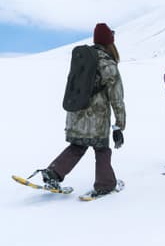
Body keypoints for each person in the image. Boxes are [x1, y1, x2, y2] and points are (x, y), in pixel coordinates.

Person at [32, 23, 126, 197]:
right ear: (109, 42)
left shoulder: (83, 58)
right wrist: (119, 125)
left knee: (77, 146)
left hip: (76, 112)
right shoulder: (107, 63)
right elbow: (117, 97)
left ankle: (53, 173)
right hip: (96, 117)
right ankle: (105, 184)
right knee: (102, 149)